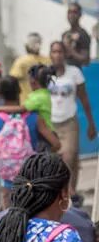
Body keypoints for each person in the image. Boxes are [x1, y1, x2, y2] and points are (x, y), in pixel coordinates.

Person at [0, 76, 61, 207]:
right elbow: (56, 144)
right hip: (32, 179)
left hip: (7, 182)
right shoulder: (34, 117)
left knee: (10, 218)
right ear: (19, 90)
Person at [45, 40, 97, 203]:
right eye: (54, 52)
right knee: (59, 161)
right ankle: (64, 194)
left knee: (68, 156)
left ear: (65, 54)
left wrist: (91, 123)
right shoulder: (45, 74)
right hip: (51, 124)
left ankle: (68, 193)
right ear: (50, 55)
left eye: (60, 51)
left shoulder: (74, 73)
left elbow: (84, 98)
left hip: (69, 123)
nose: (57, 55)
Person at [9, 33, 49, 97]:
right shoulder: (21, 61)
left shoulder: (21, 61)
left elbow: (11, 80)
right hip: (32, 100)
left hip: (34, 100)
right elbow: (12, 80)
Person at [63, 1, 91, 68]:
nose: (71, 15)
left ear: (80, 15)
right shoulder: (65, 34)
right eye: (69, 12)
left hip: (77, 75)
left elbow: (86, 60)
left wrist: (69, 48)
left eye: (74, 12)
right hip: (65, 74)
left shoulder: (83, 34)